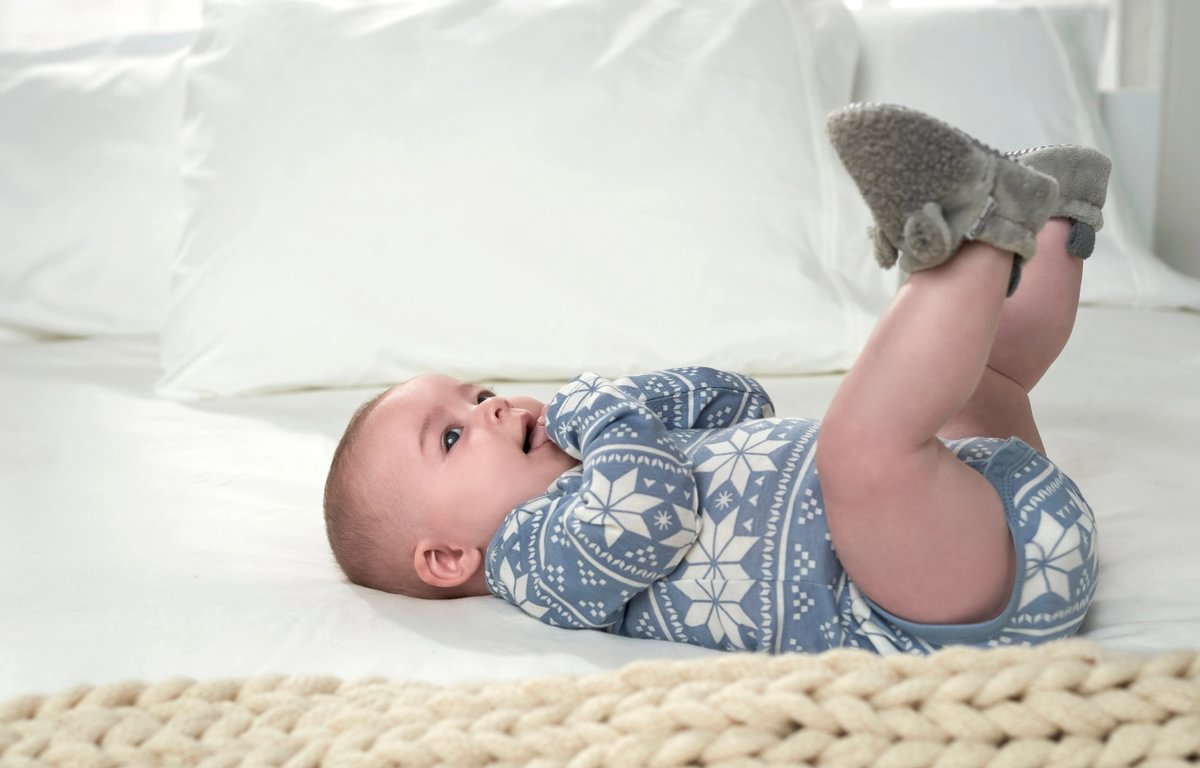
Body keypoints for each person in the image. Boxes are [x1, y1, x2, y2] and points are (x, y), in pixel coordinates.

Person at [323, 103, 1109, 654]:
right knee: (863, 448)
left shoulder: (610, 457)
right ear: (446, 559)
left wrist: (630, 407)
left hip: (978, 515)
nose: (490, 410)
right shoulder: (533, 562)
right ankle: (975, 232)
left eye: (480, 394)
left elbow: (740, 402)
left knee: (988, 381)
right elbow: (650, 518)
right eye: (451, 437)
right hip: (917, 603)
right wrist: (604, 411)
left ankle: (1050, 213)